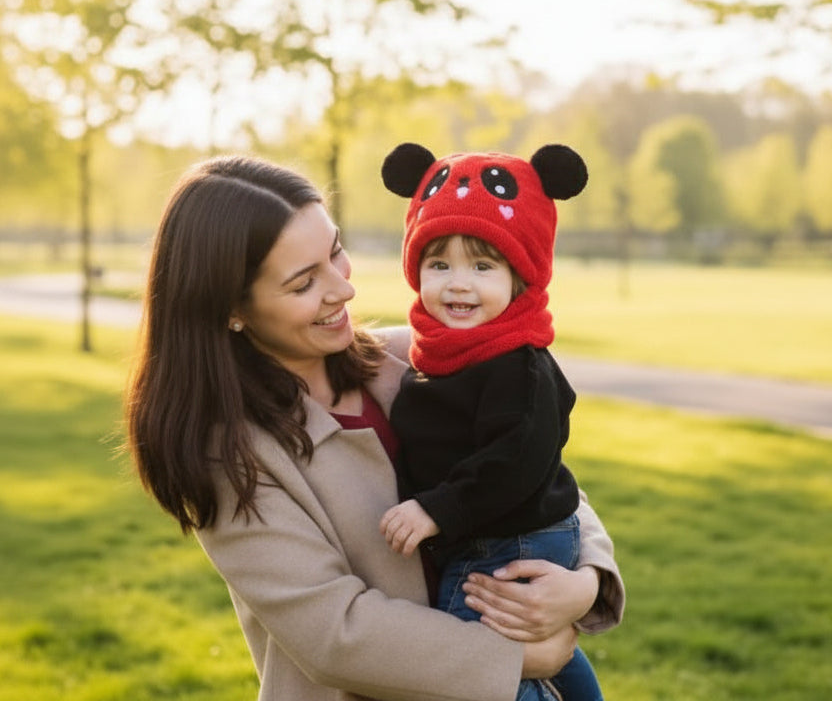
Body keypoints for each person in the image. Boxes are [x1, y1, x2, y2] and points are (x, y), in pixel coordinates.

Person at [124, 153, 624, 701]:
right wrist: (525, 657)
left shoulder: (424, 357)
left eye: (336, 253)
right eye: (303, 283)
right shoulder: (231, 455)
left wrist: (585, 584)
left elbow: (538, 469)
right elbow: (334, 631)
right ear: (230, 310)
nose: (343, 290)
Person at [380, 142, 615, 701]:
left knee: (483, 669)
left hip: (508, 542)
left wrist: (436, 507)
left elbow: (515, 459)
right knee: (536, 650)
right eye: (439, 264)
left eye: (483, 266)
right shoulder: (439, 355)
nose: (458, 283)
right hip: (499, 532)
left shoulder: (517, 365)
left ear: (521, 276)